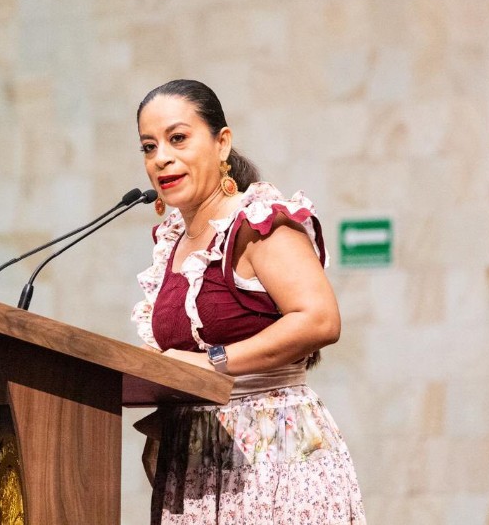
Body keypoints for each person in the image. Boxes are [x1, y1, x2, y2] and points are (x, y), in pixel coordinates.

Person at [131, 80, 365, 524]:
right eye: (148, 146)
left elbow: (319, 320)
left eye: (178, 138)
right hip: (193, 459)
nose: (161, 157)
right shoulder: (171, 243)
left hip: (273, 451)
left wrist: (213, 362)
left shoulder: (258, 222)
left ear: (222, 144)